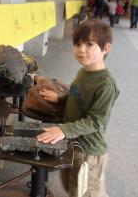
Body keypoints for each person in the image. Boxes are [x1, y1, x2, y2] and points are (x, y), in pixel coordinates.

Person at [37, 19, 119, 197]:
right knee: (71, 187)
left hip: (89, 152)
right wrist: (60, 99)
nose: (81, 49)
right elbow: (77, 94)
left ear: (106, 49)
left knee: (87, 193)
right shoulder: (84, 71)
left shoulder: (106, 85)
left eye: (89, 44)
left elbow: (94, 121)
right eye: (78, 44)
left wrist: (63, 129)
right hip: (74, 143)